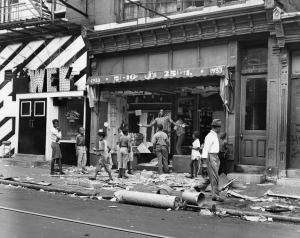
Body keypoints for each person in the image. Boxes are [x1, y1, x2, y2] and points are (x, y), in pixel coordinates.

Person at [194, 119, 224, 202]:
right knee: (215, 177)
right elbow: (205, 150)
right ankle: (216, 195)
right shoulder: (209, 136)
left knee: (212, 175)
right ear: (217, 127)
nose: (220, 129)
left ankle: (199, 186)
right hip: (211, 156)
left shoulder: (214, 135)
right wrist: (204, 163)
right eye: (220, 127)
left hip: (215, 156)